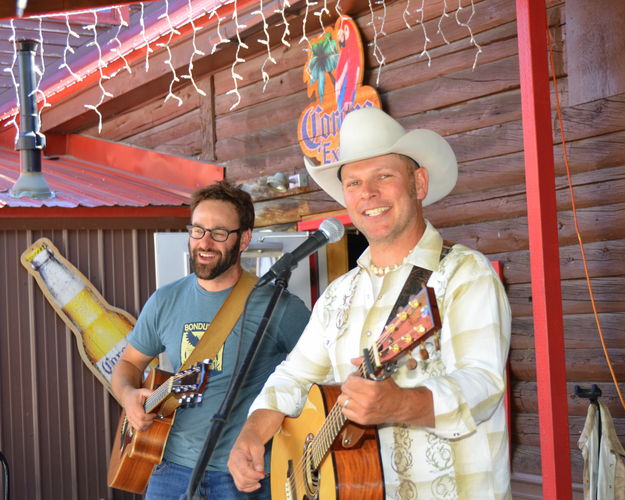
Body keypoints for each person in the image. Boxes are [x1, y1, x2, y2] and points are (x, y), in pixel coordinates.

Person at [227, 107, 512, 499]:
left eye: (384, 176)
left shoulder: (464, 274)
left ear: (419, 182)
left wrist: (402, 404)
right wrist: (252, 434)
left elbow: (483, 384)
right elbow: (292, 377)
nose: (368, 193)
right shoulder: (338, 295)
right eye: (355, 182)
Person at [111, 181, 311, 500]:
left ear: (244, 239)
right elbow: (129, 363)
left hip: (242, 474)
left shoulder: (279, 308)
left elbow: (319, 379)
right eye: (197, 230)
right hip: (169, 469)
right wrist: (128, 395)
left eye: (219, 233)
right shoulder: (165, 300)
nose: (205, 242)